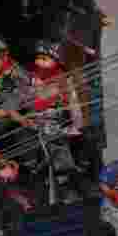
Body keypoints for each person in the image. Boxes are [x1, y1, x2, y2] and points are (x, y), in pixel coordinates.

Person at [25, 40, 84, 204]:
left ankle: (66, 190)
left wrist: (76, 124)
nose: (41, 62)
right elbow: (27, 99)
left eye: (46, 58)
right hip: (34, 122)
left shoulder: (62, 79)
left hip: (55, 122)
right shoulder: (32, 76)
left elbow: (73, 103)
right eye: (39, 58)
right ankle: (43, 191)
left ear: (56, 60)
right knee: (38, 159)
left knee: (60, 157)